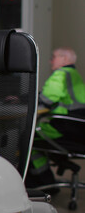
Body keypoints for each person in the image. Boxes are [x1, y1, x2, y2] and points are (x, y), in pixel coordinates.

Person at [27, 47, 85, 191]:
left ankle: (43, 182)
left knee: (28, 139)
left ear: (64, 59)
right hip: (78, 131)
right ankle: (55, 166)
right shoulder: (73, 74)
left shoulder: (61, 74)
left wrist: (21, 99)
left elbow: (46, 99)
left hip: (66, 129)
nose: (50, 60)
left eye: (54, 57)